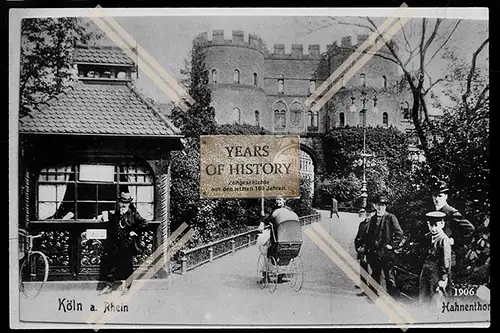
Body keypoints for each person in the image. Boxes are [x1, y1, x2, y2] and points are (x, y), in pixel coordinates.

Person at [98, 192, 148, 295]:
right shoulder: (116, 214)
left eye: (126, 203)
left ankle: (127, 288)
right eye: (122, 202)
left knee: (127, 267)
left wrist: (134, 231)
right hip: (115, 244)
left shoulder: (133, 214)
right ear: (119, 202)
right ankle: (109, 287)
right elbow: (111, 225)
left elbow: (144, 223)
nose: (123, 205)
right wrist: (102, 218)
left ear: (129, 203)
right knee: (111, 266)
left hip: (127, 245)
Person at [431, 180, 475, 275]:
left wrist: (455, 240)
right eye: (435, 195)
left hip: (449, 253)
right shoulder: (434, 211)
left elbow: (470, 229)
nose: (437, 199)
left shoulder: (451, 212)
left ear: (446, 197)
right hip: (438, 252)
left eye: (440, 196)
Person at [364, 194, 403, 299]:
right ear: (375, 206)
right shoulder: (372, 219)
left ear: (385, 206)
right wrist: (368, 249)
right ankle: (372, 298)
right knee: (374, 275)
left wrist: (392, 246)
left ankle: (395, 300)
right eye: (378, 205)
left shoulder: (390, 218)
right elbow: (368, 236)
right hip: (375, 253)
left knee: (389, 277)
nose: (380, 207)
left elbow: (399, 233)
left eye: (382, 205)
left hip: (387, 254)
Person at [257, 196, 299, 284]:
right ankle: (276, 274)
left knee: (269, 252)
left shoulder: (278, 211)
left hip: (280, 236)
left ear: (284, 200)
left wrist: (263, 222)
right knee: (275, 253)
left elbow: (269, 219)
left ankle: (268, 275)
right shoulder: (283, 210)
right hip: (284, 236)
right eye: (277, 199)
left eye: (280, 199)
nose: (278, 201)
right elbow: (269, 219)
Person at [418, 211, 452, 304]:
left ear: (442, 224)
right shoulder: (428, 237)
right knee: (423, 297)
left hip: (437, 272)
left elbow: (446, 260)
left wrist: (443, 278)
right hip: (426, 270)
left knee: (437, 297)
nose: (433, 229)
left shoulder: (443, 239)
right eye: (430, 225)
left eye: (436, 225)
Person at [354, 202, 376, 296]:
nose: (369, 214)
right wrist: (358, 248)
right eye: (367, 212)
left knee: (373, 271)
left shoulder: (375, 225)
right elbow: (358, 236)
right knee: (363, 269)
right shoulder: (362, 224)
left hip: (370, 251)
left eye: (371, 212)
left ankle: (370, 290)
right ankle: (364, 288)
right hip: (362, 250)